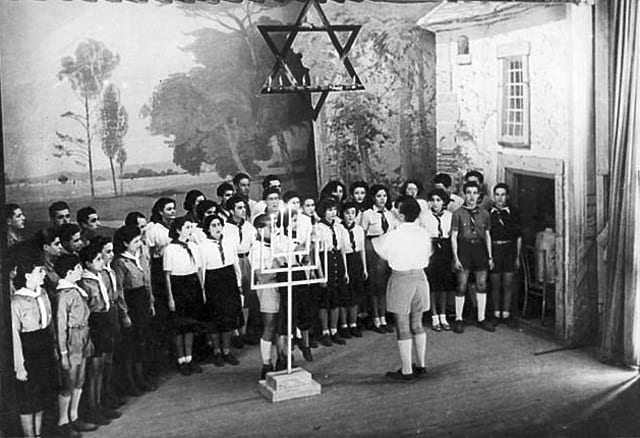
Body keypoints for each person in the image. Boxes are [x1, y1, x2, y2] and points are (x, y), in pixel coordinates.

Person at [372, 196, 431, 382]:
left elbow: (378, 248)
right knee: (417, 324)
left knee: (403, 327)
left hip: (401, 279)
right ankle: (421, 365)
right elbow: (428, 252)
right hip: (421, 278)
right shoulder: (423, 233)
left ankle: (406, 371)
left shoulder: (395, 235)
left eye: (397, 210)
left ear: (402, 215)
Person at [11, 259, 57, 438]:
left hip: (44, 347)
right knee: (28, 398)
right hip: (28, 351)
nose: (44, 274)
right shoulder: (16, 302)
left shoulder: (43, 293)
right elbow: (14, 337)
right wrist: (19, 366)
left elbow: (50, 324)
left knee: (42, 395)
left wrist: (53, 350)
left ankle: (38, 434)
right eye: (40, 271)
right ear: (27, 275)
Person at [77, 242, 120, 426]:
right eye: (98, 259)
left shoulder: (101, 275)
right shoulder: (85, 282)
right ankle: (92, 407)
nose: (102, 261)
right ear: (87, 263)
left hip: (105, 320)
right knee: (94, 370)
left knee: (103, 366)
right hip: (94, 323)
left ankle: (101, 402)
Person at [54, 254, 97, 436]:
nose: (81, 270)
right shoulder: (63, 295)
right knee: (69, 382)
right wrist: (63, 352)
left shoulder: (76, 289)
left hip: (83, 334)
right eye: (78, 268)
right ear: (70, 272)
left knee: (80, 379)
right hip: (72, 338)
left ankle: (74, 416)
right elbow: (60, 326)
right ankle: (63, 421)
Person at [112, 225, 156, 396]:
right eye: (136, 241)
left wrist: (151, 302)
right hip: (131, 303)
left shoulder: (141, 257)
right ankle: (133, 382)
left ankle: (143, 376)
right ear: (125, 243)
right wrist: (124, 314)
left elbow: (147, 282)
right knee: (133, 345)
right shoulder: (121, 262)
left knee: (144, 342)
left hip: (143, 300)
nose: (139, 244)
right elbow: (120, 291)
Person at [451, 181, 495, 334]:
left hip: (480, 249)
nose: (471, 196)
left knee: (481, 284)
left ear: (479, 195)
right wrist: (456, 258)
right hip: (464, 248)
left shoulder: (484, 214)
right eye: (468, 192)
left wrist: (490, 257)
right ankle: (458, 319)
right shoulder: (458, 213)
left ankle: (481, 318)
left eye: (474, 193)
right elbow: (454, 236)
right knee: (462, 284)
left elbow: (488, 235)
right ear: (464, 194)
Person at [163, 217, 206, 376]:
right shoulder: (170, 249)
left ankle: (190, 357)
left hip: (192, 284)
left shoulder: (194, 246)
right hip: (178, 286)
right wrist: (171, 298)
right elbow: (167, 275)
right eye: (187, 227)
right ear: (178, 230)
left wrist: (201, 289)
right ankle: (181, 359)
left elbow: (198, 269)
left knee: (191, 325)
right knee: (179, 327)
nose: (190, 230)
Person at [199, 214, 242, 367]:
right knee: (215, 320)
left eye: (219, 225)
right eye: (213, 225)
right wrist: (203, 289)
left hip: (228, 280)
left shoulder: (229, 242)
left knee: (228, 319)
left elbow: (235, 263)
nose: (217, 228)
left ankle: (226, 351)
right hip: (213, 281)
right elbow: (202, 268)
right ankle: (216, 351)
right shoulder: (203, 246)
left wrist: (238, 282)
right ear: (207, 229)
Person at [250, 214, 283, 379]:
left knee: (282, 325)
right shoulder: (257, 248)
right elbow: (261, 276)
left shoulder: (276, 244)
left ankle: (283, 358)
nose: (274, 230)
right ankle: (266, 363)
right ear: (259, 229)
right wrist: (279, 267)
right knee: (270, 326)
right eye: (271, 227)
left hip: (281, 287)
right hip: (268, 289)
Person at [223, 195, 258, 346]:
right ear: (231, 210)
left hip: (247, 260)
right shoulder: (226, 228)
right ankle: (235, 332)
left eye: (244, 207)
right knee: (236, 296)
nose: (243, 210)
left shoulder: (248, 226)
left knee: (248, 297)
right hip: (233, 261)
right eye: (239, 208)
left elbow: (254, 243)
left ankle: (243, 332)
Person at [361, 184, 396, 333]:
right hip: (372, 249)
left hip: (386, 248)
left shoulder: (390, 214)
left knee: (384, 285)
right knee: (374, 285)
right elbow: (361, 235)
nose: (382, 199)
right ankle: (375, 318)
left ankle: (384, 317)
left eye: (384, 196)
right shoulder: (368, 214)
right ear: (373, 198)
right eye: (378, 196)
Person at [146, 198, 176, 369]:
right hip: (159, 270)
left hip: (174, 267)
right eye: (169, 209)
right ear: (160, 211)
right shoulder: (153, 229)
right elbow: (150, 255)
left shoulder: (174, 226)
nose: (172, 211)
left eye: (174, 209)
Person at [315, 198, 349, 347]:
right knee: (324, 301)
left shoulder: (339, 227)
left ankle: (334, 330)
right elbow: (315, 253)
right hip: (325, 260)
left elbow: (342, 250)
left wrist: (346, 271)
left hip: (337, 261)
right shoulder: (318, 228)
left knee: (336, 299)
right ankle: (325, 332)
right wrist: (320, 274)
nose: (332, 213)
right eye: (329, 210)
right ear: (323, 211)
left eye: (334, 210)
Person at [489, 183, 522, 327]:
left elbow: (518, 237)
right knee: (495, 284)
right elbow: (486, 236)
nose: (500, 198)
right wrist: (489, 256)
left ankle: (507, 314)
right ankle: (496, 314)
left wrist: (517, 257)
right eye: (497, 194)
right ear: (493, 196)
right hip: (495, 249)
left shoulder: (513, 213)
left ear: (507, 196)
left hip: (509, 249)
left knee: (508, 283)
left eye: (503, 195)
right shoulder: (488, 213)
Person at [424, 188, 454, 332]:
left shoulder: (449, 216)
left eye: (438, 200)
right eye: (432, 200)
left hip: (446, 249)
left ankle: (443, 315)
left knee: (445, 283)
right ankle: (434, 315)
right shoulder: (424, 217)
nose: (435, 203)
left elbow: (453, 235)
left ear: (444, 202)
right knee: (432, 283)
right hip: (431, 250)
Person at [340, 202, 367, 338]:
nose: (350, 216)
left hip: (357, 261)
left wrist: (365, 268)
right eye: (347, 213)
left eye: (353, 213)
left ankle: (353, 323)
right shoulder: (339, 229)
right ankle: (344, 325)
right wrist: (345, 271)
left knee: (356, 294)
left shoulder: (359, 229)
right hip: (346, 261)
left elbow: (362, 249)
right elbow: (343, 251)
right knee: (346, 295)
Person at [35, 228, 62, 298]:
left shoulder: (57, 262)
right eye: (57, 244)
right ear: (46, 247)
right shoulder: (41, 269)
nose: (60, 247)